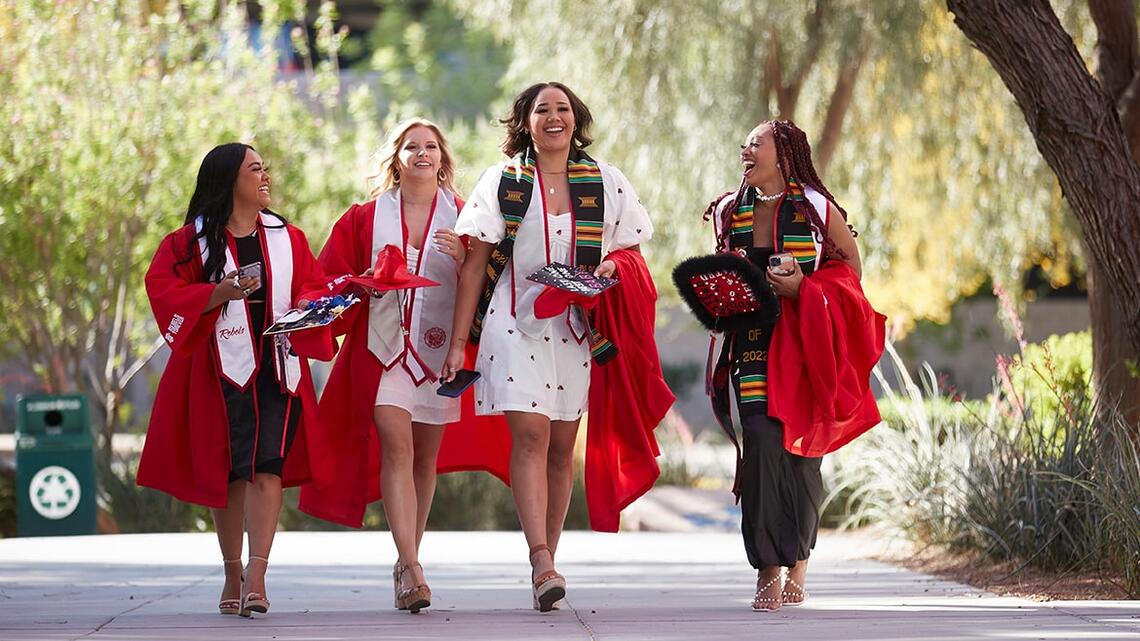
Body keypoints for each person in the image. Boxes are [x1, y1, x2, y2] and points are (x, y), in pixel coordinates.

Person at [444, 82, 673, 612]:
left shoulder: (605, 181)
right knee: (529, 437)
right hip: (513, 321)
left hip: (575, 328)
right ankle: (541, 559)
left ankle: (547, 560)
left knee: (560, 449)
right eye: (541, 109)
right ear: (525, 122)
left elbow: (630, 250)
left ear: (576, 120)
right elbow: (475, 264)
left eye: (562, 109)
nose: (553, 117)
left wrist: (614, 266)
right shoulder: (503, 180)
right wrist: (460, 344)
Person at [296, 118, 511, 613]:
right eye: (411, 146)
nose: (422, 153)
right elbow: (326, 281)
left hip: (440, 356)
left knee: (424, 461)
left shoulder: (465, 217)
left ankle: (405, 563)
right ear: (396, 158)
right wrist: (361, 282)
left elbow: (492, 289)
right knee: (396, 447)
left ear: (442, 157)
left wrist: (466, 257)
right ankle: (411, 563)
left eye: (431, 146)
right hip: (383, 353)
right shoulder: (365, 218)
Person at [138, 143, 337, 617]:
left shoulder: (288, 237)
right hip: (217, 370)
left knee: (269, 465)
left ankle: (258, 577)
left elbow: (311, 283)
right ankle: (232, 573)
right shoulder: (189, 243)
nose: (265, 176)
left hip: (275, 366)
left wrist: (320, 303)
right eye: (255, 170)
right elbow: (165, 291)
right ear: (229, 180)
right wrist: (217, 292)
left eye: (265, 168)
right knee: (230, 471)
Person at [702, 120, 884, 611]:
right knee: (761, 441)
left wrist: (805, 289)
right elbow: (722, 268)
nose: (746, 149)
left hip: (805, 346)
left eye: (756, 142)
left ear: (783, 153)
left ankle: (798, 562)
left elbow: (850, 273)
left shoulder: (816, 208)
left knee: (802, 455)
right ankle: (766, 567)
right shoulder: (727, 210)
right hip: (754, 346)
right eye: (743, 143)